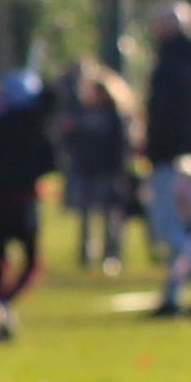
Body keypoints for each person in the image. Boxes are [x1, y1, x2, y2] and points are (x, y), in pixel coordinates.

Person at [0, 66, 56, 340]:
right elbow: (48, 162)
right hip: (22, 203)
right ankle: (1, 306)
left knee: (0, 257)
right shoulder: (32, 128)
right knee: (30, 262)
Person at [142, 1, 191, 282]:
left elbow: (164, 114)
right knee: (187, 226)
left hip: (172, 154)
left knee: (169, 227)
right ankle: (172, 295)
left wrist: (153, 146)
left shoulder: (169, 66)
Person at [59, 61, 138, 271]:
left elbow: (122, 146)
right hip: (86, 168)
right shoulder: (81, 113)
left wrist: (120, 170)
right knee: (86, 213)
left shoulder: (115, 116)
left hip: (109, 170)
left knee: (111, 214)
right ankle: (86, 253)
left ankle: (111, 254)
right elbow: (70, 141)